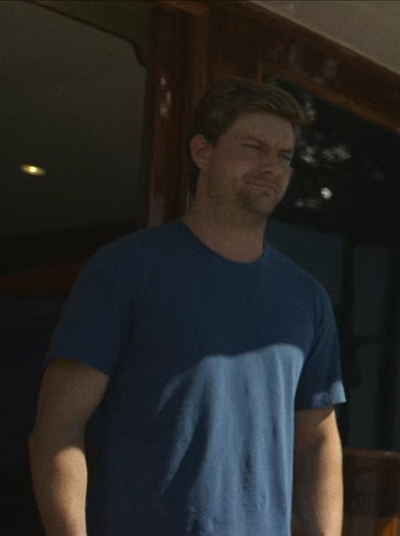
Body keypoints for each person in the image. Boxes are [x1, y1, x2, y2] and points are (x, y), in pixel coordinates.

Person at [28, 79, 345, 535]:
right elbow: (58, 426)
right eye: (254, 147)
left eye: (284, 155)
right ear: (202, 152)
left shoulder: (307, 298)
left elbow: (317, 440)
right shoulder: (126, 268)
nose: (272, 166)